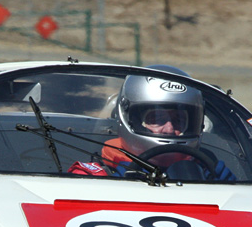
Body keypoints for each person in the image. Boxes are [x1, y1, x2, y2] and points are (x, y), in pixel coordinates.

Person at [98, 74, 234, 181]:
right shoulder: (97, 176)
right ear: (132, 120)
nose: (169, 129)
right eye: (157, 119)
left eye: (179, 120)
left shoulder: (214, 173)